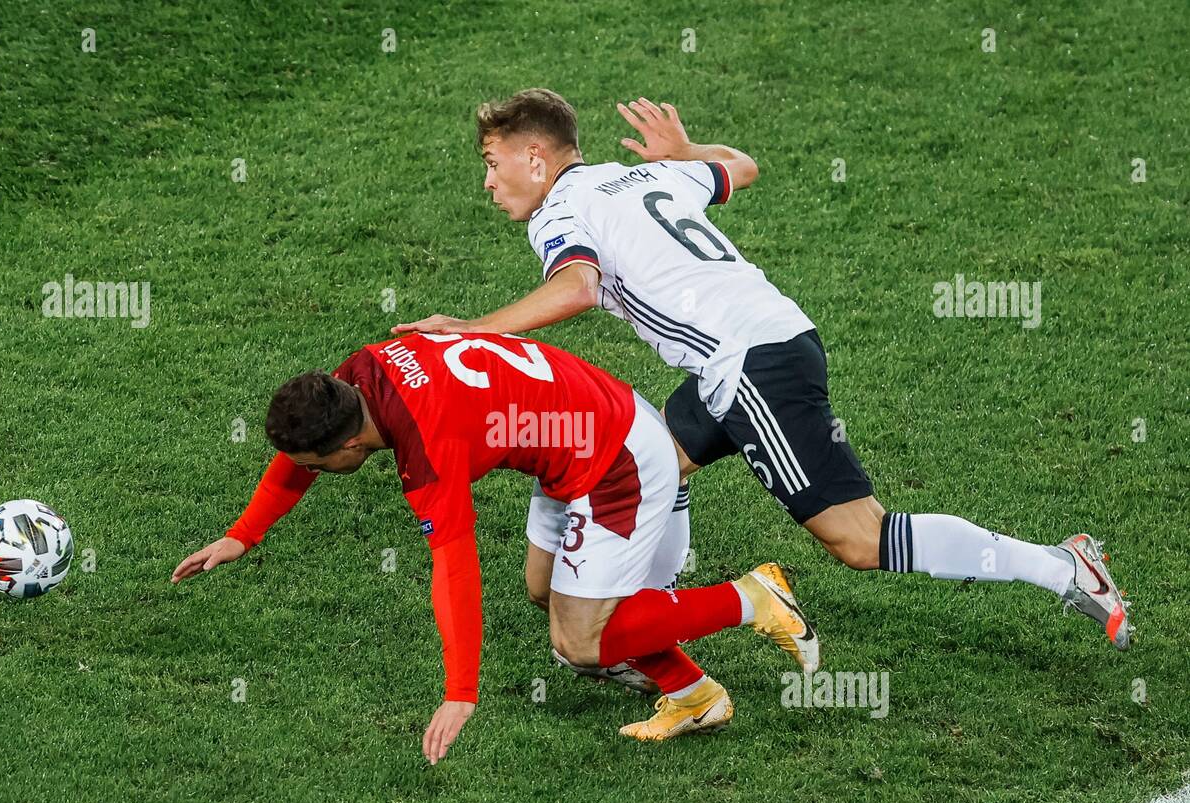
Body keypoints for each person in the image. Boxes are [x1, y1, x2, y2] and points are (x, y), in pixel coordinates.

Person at [392, 89, 1130, 651]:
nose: (488, 184)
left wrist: (468, 330)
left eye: (492, 165)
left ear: (535, 159)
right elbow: (741, 165)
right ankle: (651, 609)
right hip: (768, 342)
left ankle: (1061, 566)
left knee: (859, 539)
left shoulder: (560, 212)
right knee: (655, 459)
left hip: (746, 364)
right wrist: (684, 149)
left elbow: (579, 287)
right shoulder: (636, 179)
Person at [171, 332, 817, 763]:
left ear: (346, 449)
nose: (306, 469)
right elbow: (298, 458)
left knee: (581, 641)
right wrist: (243, 533)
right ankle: (696, 695)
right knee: (546, 592)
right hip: (569, 441)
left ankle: (750, 596)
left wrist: (461, 690)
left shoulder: (424, 444)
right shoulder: (356, 376)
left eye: (315, 462)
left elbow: (454, 566)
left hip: (614, 458)